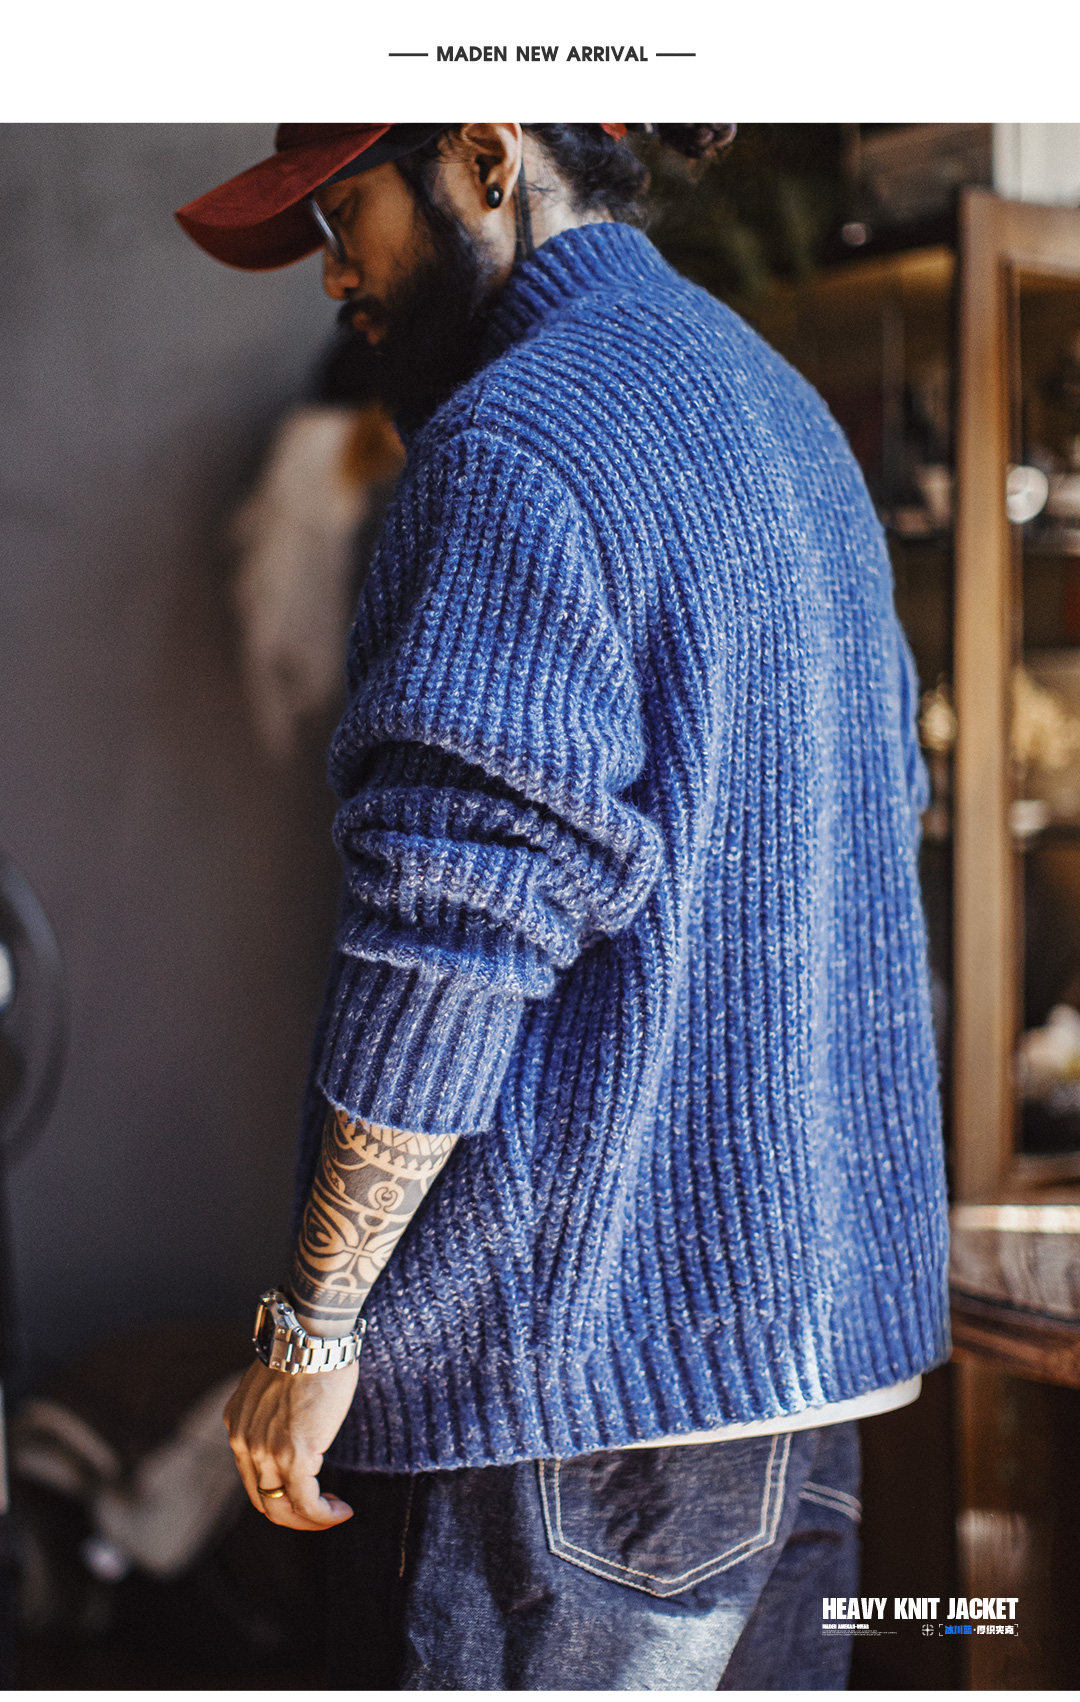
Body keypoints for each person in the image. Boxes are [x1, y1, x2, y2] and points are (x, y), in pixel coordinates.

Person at [175, 123, 951, 1689]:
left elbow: (450, 939)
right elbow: (880, 821)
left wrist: (315, 1325)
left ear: (482, 155)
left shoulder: (513, 443)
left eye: (342, 212)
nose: (331, 273)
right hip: (804, 1402)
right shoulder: (784, 415)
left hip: (561, 1427)